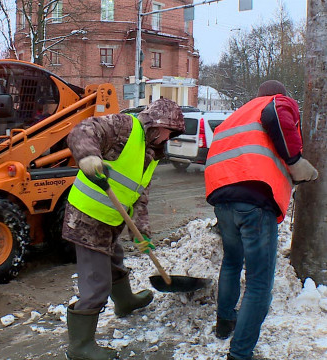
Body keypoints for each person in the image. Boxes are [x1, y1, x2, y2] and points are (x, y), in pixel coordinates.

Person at [62, 98, 185, 360]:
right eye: (169, 131)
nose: (169, 137)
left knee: (115, 261)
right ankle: (80, 346)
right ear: (156, 123)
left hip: (110, 220)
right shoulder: (124, 127)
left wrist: (143, 236)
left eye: (173, 134)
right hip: (86, 215)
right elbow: (83, 130)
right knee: (97, 280)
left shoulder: (150, 154)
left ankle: (125, 302)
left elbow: (139, 198)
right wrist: (89, 155)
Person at [204, 80, 319, 360]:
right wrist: (294, 161)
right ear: (280, 94)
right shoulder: (277, 102)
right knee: (258, 281)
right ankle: (240, 353)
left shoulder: (237, 114)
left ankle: (224, 323)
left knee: (232, 262)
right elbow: (275, 116)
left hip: (221, 196)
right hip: (254, 199)